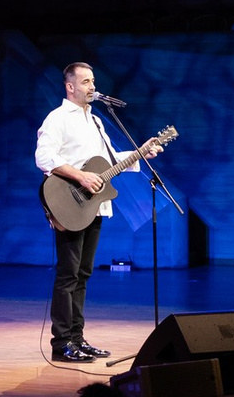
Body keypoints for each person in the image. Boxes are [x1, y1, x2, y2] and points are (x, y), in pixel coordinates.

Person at [33, 61, 166, 363]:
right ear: (70, 86)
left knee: (83, 273)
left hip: (91, 205)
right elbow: (44, 156)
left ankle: (77, 338)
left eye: (93, 81)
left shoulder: (96, 121)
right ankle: (61, 342)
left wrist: (141, 151)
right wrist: (80, 177)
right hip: (67, 203)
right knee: (68, 275)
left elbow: (107, 162)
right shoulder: (57, 118)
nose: (93, 87)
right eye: (86, 82)